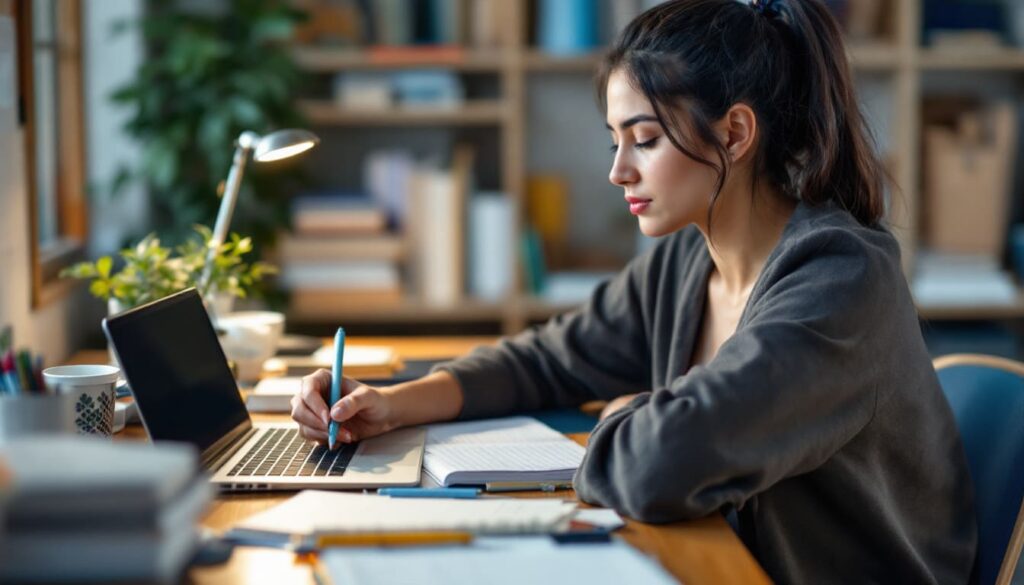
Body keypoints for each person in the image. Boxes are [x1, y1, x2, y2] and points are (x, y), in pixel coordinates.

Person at [291, 0, 977, 582]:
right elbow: (551, 358)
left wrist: (628, 413)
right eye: (614, 142)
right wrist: (390, 404)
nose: (618, 171)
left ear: (735, 133)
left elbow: (661, 463)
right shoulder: (687, 260)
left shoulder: (839, 278)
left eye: (643, 140)